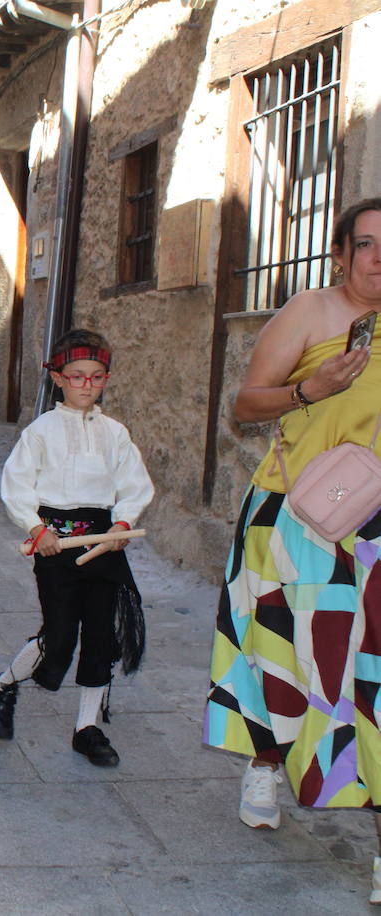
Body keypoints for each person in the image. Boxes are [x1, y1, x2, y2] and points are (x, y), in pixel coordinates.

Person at [202, 200, 381, 901]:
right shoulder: (309, 312)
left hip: (375, 527)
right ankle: (266, 761)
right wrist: (313, 388)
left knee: (369, 675)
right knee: (282, 648)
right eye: (365, 244)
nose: (378, 257)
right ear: (340, 254)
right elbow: (245, 405)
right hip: (297, 515)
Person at [0, 329, 153, 767]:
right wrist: (36, 529)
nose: (86, 385)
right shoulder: (41, 431)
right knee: (59, 635)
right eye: (77, 376)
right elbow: (16, 484)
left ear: (105, 379)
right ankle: (2, 685)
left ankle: (87, 728)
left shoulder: (115, 433)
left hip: (103, 544)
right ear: (58, 378)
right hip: (55, 546)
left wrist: (123, 523)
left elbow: (135, 484)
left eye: (96, 377)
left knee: (101, 635)